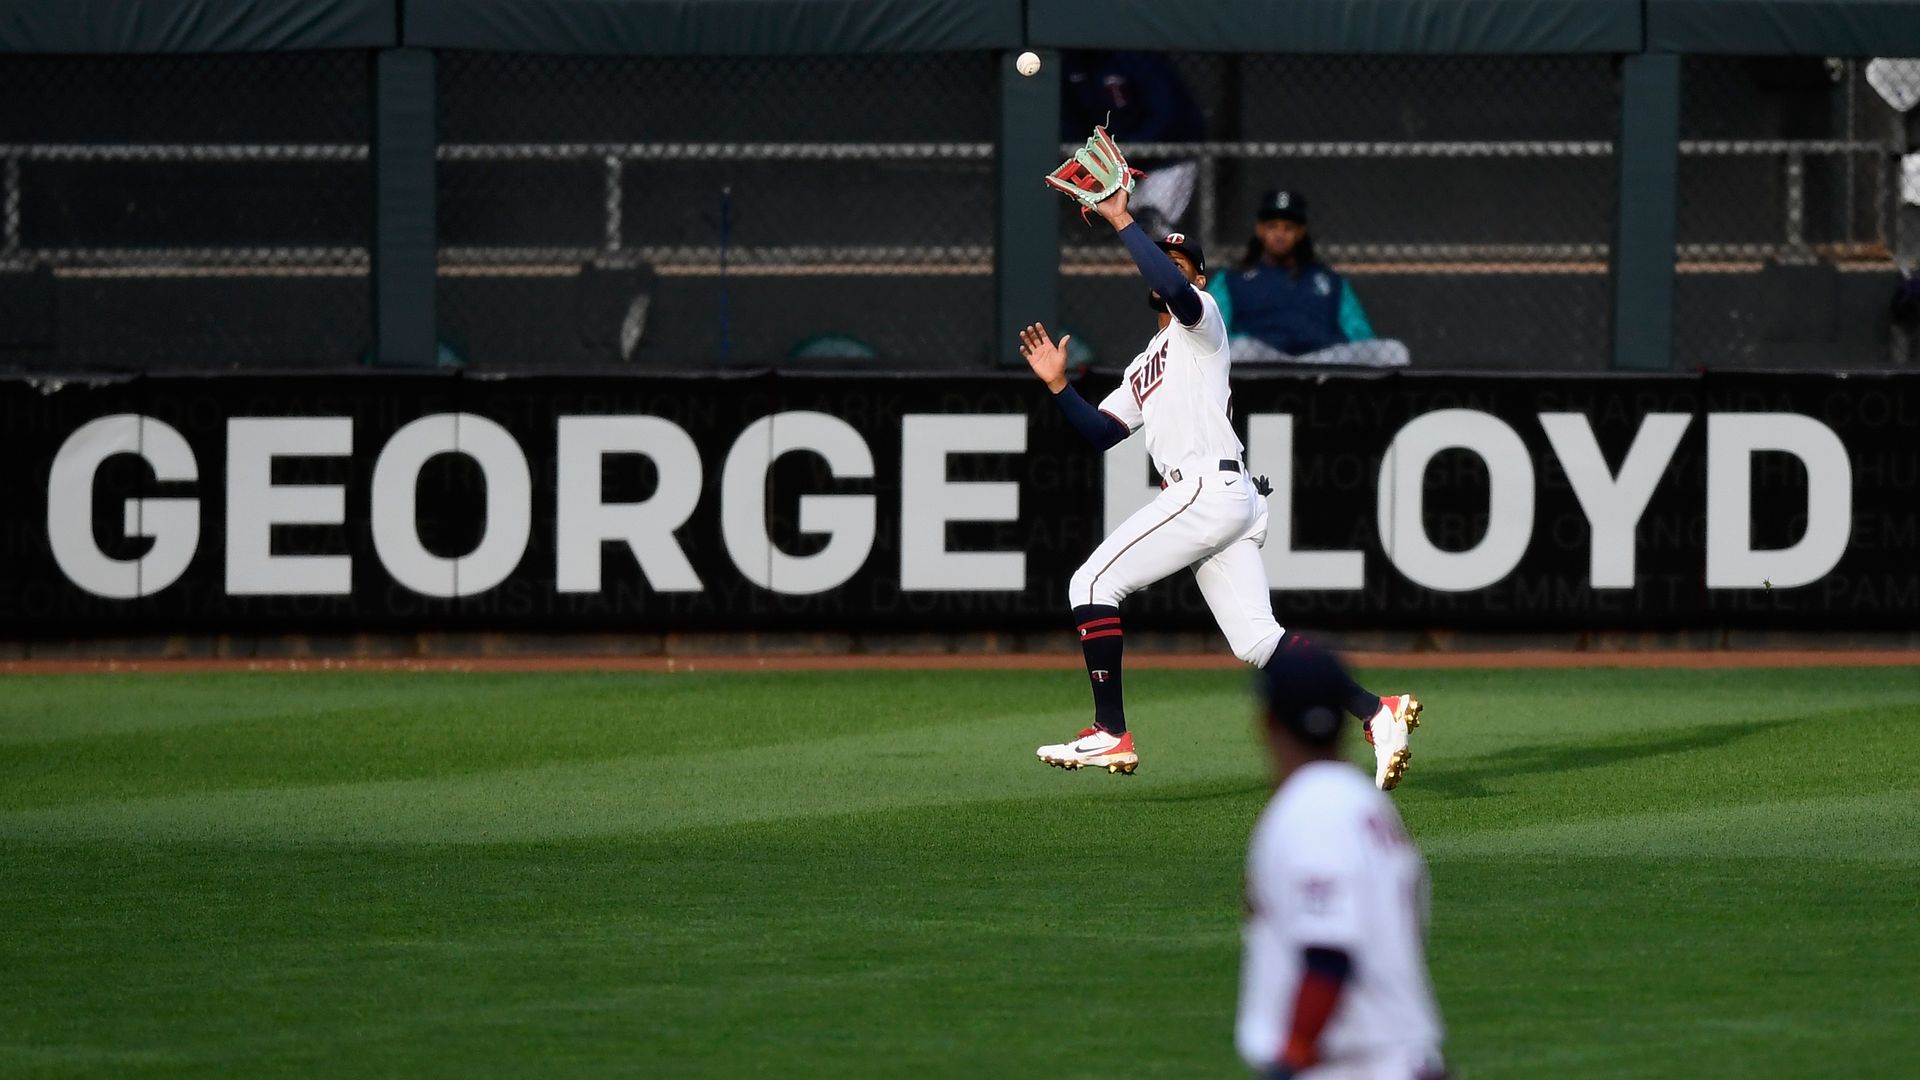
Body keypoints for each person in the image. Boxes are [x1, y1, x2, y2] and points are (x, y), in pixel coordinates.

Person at [1016, 178, 1422, 790]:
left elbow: (1177, 290)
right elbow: (1102, 434)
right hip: (1223, 498)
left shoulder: (1202, 323)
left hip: (1205, 488)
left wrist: (1124, 221)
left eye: (1181, 263)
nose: (1171, 269)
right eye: (1165, 259)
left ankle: (1110, 732)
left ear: (1198, 280)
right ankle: (1377, 712)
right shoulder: (1142, 363)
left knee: (1091, 583)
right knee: (1259, 640)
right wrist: (1056, 385)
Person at [1239, 642, 1447, 1079]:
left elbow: (1329, 952)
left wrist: (1293, 1055)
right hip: (1398, 1057)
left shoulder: (1314, 808)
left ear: (1266, 722)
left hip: (1353, 1065)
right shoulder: (1362, 803)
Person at [1207, 189, 1410, 368]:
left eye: (1288, 228)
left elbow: (1360, 334)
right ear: (1260, 229)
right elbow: (1211, 331)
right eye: (1272, 227)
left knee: (1393, 350)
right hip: (1263, 361)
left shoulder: (1329, 282)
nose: (1280, 235)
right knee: (1240, 348)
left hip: (1323, 362)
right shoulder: (1233, 279)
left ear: (1301, 232)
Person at [1062, 51, 1206, 236]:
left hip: (1166, 157)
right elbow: (1069, 122)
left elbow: (1165, 115)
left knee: (1152, 221)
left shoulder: (1139, 57)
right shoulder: (1073, 64)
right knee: (1122, 226)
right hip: (1112, 163)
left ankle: (1166, 259)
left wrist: (1126, 149)